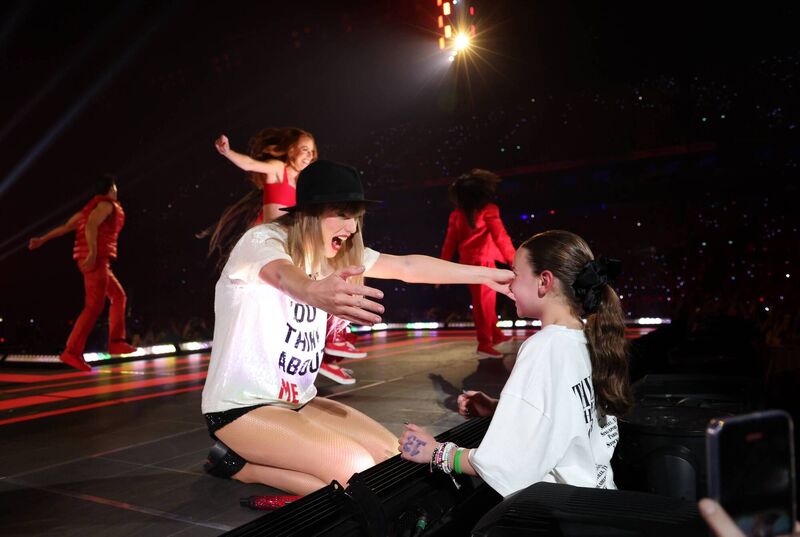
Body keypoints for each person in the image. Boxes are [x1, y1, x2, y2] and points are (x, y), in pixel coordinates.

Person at [201, 159, 514, 496]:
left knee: (392, 456)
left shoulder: (337, 254)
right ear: (309, 213)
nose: (351, 227)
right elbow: (281, 274)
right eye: (342, 214)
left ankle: (257, 463)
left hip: (297, 402)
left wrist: (487, 275)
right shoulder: (263, 241)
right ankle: (240, 467)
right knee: (358, 470)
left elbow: (408, 266)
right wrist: (313, 290)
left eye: (355, 216)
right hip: (241, 408)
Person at [399, 230, 632, 497]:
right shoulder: (588, 337)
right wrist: (499, 408)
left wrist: (435, 452)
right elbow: (568, 418)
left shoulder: (544, 348)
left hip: (564, 509)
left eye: (515, 274)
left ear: (544, 281)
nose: (510, 286)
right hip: (599, 498)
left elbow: (506, 465)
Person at [213, 130, 366, 384]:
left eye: (312, 151)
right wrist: (228, 152)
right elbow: (250, 164)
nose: (309, 155)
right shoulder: (278, 169)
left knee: (328, 278)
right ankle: (326, 350)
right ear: (290, 151)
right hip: (273, 246)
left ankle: (328, 349)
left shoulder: (305, 183)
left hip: (296, 246)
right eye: (304, 149)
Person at [28, 174, 136, 371]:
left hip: (96, 260)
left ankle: (116, 342)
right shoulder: (105, 206)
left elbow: (66, 227)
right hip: (95, 260)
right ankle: (71, 351)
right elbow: (92, 224)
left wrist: (42, 239)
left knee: (118, 296)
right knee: (93, 307)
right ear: (111, 188)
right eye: (115, 187)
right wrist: (93, 251)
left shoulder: (89, 209)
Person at [440, 169, 516, 358]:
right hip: (484, 264)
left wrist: (442, 268)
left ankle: (495, 335)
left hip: (468, 265)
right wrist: (515, 261)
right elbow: (501, 237)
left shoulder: (456, 214)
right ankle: (484, 344)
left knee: (485, 303)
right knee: (484, 305)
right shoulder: (488, 209)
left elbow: (450, 243)